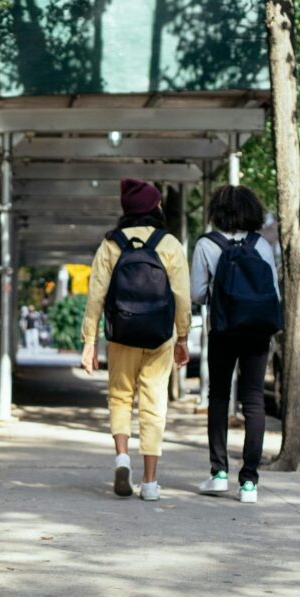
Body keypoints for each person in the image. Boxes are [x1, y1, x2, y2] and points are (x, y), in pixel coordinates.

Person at [80, 178, 191, 501]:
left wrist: (89, 342)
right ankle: (152, 483)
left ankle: (122, 458)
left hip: (122, 334)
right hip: (160, 336)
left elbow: (96, 296)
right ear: (154, 207)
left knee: (120, 396)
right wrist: (182, 337)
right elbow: (182, 296)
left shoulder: (111, 244)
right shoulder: (169, 244)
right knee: (154, 404)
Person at [191, 185, 280, 504]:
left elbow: (197, 294)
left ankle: (218, 473)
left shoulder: (206, 244)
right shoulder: (262, 244)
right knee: (254, 399)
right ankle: (249, 483)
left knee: (218, 396)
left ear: (217, 211)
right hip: (258, 330)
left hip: (224, 329)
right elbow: (273, 292)